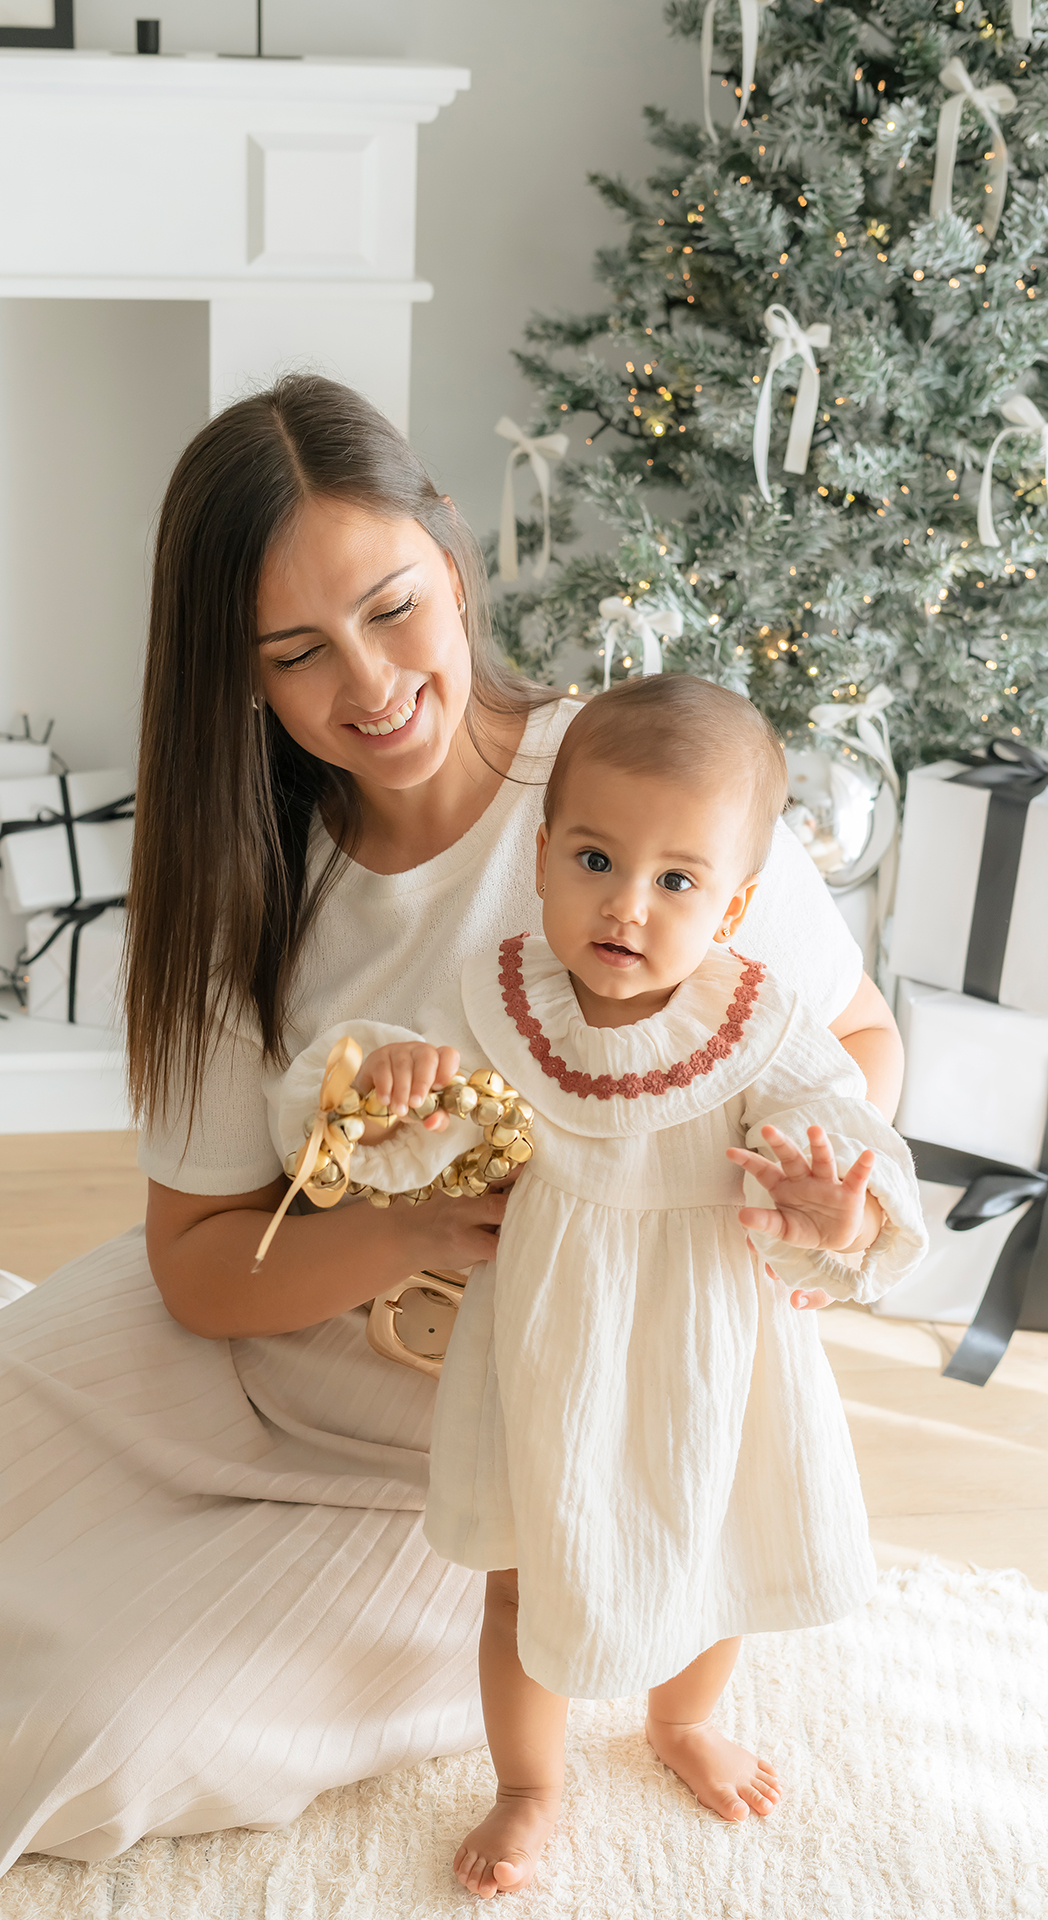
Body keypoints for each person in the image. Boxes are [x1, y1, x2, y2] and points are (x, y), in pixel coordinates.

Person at [0, 378, 903, 1902]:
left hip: (465, 1450)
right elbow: (198, 1264)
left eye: (389, 608)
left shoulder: (641, 783)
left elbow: (851, 1042)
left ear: (454, 557)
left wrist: (795, 1200)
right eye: (295, 654)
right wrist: (423, 1226)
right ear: (235, 678)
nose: (366, 683)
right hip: (240, 1355)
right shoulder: (252, 879)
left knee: (93, 1721)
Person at [270, 676, 925, 1900]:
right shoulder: (490, 997)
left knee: (720, 1541)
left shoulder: (760, 1022)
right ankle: (527, 1782)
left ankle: (681, 1720)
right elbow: (396, 1142)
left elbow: (844, 1135)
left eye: (676, 882)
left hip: (706, 1351)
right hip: (541, 1354)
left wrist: (843, 1205)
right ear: (540, 855)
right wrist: (395, 1083)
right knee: (519, 1573)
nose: (626, 905)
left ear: (732, 903)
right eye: (593, 859)